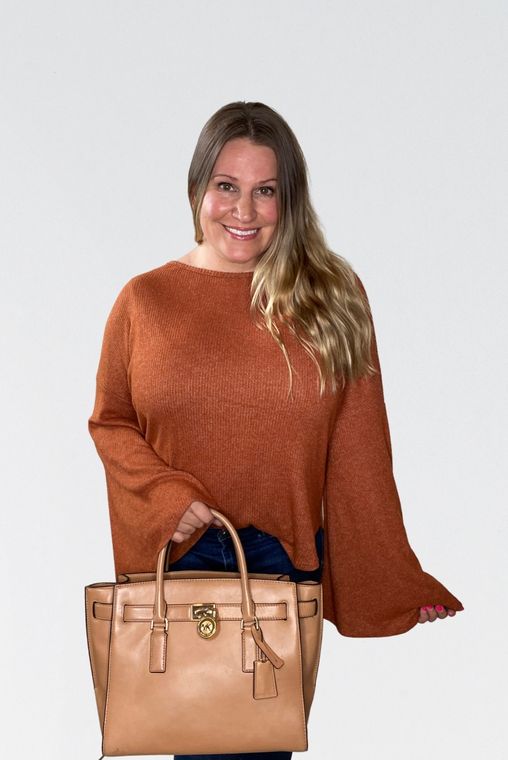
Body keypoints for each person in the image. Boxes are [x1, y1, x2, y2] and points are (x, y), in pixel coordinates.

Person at [88, 101, 464, 760]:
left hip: (284, 563)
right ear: (197, 188)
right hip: (181, 558)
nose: (244, 209)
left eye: (266, 190)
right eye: (226, 186)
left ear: (289, 200)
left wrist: (391, 577)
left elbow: (360, 450)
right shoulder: (144, 302)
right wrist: (167, 499)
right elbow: (111, 421)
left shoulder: (330, 297)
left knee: (254, 747)